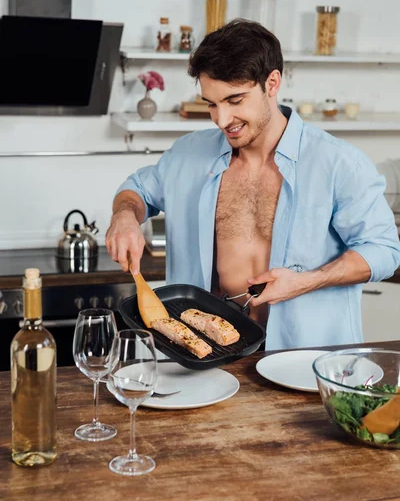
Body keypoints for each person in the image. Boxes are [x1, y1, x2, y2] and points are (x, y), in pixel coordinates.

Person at [106, 19, 400, 350]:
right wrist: (125, 216)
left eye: (235, 101)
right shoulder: (188, 155)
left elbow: (384, 251)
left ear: (271, 83)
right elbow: (138, 190)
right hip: (204, 354)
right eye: (211, 104)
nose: (221, 120)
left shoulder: (338, 163)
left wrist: (307, 281)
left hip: (302, 358)